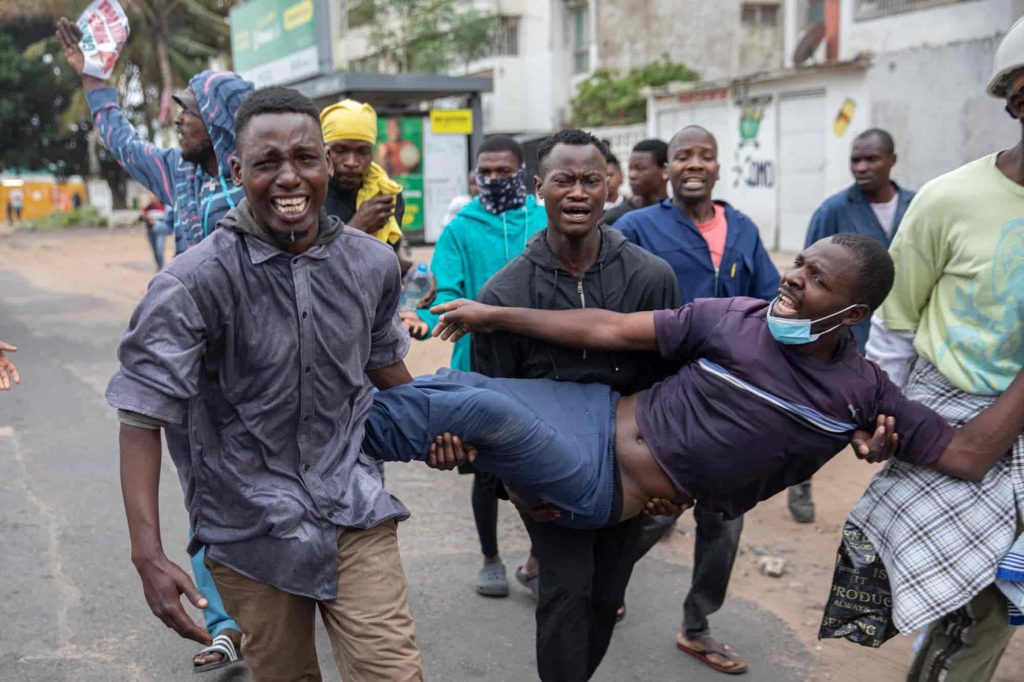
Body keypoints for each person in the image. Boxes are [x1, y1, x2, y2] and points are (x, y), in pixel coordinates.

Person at [363, 234, 1024, 557]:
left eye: (815, 280)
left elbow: (967, 454)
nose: (792, 280)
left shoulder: (861, 395)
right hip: (590, 416)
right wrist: (492, 315)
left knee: (480, 410)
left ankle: (301, 442)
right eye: (799, 264)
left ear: (852, 315)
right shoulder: (735, 315)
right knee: (461, 384)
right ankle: (323, 435)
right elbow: (610, 329)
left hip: (607, 482)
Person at [105, 86, 436, 681]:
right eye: (267, 162)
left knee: (394, 674)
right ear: (238, 169)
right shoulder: (191, 283)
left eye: (305, 159)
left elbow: (385, 363)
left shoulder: (371, 264)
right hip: (247, 527)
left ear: (327, 163)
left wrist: (438, 428)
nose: (290, 178)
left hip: (354, 507)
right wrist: (147, 553)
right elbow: (140, 416)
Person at [56, 18, 253, 669]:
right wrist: (95, 77)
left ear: (223, 121)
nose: (177, 121)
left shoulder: (268, 179)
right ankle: (228, 623)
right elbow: (119, 139)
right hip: (195, 375)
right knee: (205, 494)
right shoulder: (177, 174)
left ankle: (287, 605)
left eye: (190, 112)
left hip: (270, 372)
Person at [850, 19, 1024, 681]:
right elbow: (895, 327)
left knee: (996, 610)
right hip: (952, 426)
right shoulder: (951, 200)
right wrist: (879, 419)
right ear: (1016, 100)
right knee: (960, 602)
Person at [472, 129, 680, 682]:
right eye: (563, 180)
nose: (578, 192)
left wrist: (668, 478)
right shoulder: (503, 294)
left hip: (629, 470)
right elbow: (489, 401)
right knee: (565, 594)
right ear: (539, 187)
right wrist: (519, 489)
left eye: (591, 179)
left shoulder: (650, 278)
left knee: (606, 597)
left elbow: (669, 385)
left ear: (610, 188)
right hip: (548, 476)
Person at [614, 124, 779, 675]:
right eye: (683, 155)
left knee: (726, 514)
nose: (694, 164)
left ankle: (698, 624)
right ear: (667, 168)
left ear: (717, 166)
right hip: (665, 395)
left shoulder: (744, 229)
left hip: (736, 399)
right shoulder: (636, 226)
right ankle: (598, 578)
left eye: (704, 156)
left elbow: (772, 303)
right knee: (658, 508)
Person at [409, 135, 547, 597]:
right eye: (484, 173)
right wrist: (434, 317)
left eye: (503, 172)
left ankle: (538, 557)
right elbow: (446, 289)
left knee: (541, 465)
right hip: (480, 365)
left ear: (522, 174)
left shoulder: (544, 218)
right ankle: (491, 558)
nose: (493, 180)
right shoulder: (460, 229)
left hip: (540, 363)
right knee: (487, 469)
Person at [789, 128, 916, 524]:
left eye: (871, 159)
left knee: (890, 416)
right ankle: (799, 480)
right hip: (846, 336)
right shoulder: (834, 210)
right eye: (855, 160)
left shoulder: (918, 207)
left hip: (902, 334)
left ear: (892, 159)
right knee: (813, 411)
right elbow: (805, 274)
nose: (862, 167)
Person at [602, 139, 669, 226]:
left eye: (640, 168)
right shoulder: (615, 219)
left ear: (665, 171)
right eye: (630, 169)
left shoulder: (681, 214)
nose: (632, 175)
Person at [139, 194, 167, 271]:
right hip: (150, 231)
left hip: (160, 231)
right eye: (151, 198)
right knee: (154, 249)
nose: (152, 199)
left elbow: (167, 220)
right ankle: (158, 265)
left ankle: (162, 266)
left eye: (154, 197)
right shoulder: (148, 208)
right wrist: (143, 216)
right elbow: (140, 219)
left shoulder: (163, 207)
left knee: (159, 249)